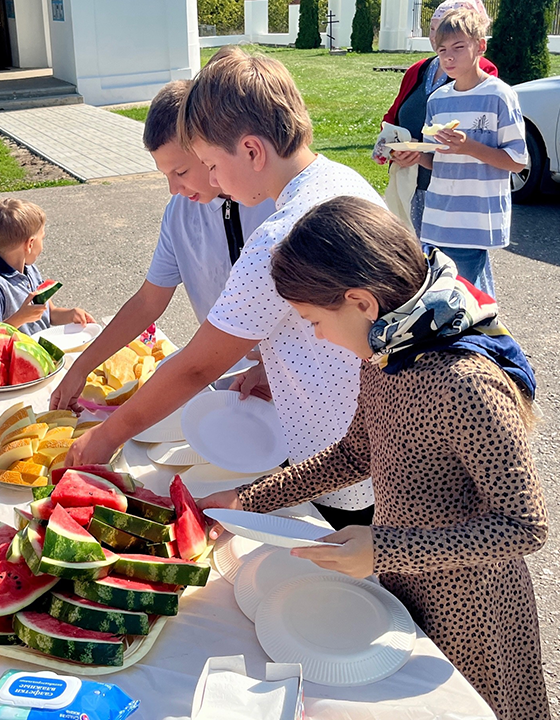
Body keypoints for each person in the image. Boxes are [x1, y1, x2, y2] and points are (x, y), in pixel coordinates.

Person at [200, 196, 548, 720]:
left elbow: (526, 527)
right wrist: (248, 499)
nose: (316, 335)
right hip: (401, 577)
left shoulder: (464, 384)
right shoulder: (384, 355)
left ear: (361, 302)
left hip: (475, 605)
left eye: (313, 320)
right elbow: (353, 456)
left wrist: (384, 549)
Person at [66, 47, 378, 529]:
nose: (210, 179)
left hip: (341, 461)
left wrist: (107, 437)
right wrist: (276, 371)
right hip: (375, 441)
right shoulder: (343, 181)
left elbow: (195, 368)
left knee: (366, 586)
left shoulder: (279, 237)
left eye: (210, 164)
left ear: (252, 151)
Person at [50, 79, 275, 411]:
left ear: (207, 148)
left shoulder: (275, 202)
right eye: (164, 174)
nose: (173, 188)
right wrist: (82, 367)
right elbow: (147, 302)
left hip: (295, 380)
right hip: (230, 382)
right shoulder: (179, 214)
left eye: (180, 171)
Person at [417, 8, 527, 298]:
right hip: (438, 216)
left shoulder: (499, 95)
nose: (449, 57)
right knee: (462, 297)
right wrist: (416, 155)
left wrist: (469, 146)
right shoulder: (438, 99)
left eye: (458, 47)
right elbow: (437, 159)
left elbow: (517, 161)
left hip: (474, 219)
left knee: (459, 298)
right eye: (442, 50)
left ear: (480, 46)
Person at [380, 0, 497, 237]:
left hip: (451, 191)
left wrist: (423, 155)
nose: (437, 37)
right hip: (411, 183)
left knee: (453, 264)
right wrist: (393, 150)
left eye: (444, 29)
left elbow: (477, 137)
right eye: (433, 29)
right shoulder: (419, 69)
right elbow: (393, 118)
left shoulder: (484, 72)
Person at [0, 198, 94, 334]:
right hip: (16, 354)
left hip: (41, 351)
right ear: (30, 244)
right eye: (43, 238)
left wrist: (71, 314)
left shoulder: (31, 270)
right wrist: (19, 318)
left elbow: (50, 313)